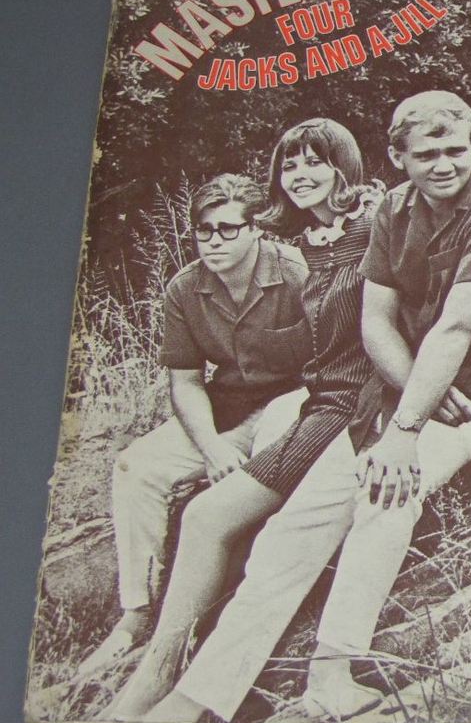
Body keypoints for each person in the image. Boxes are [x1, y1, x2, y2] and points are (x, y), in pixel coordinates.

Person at [135, 91, 471, 723]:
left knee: (385, 495)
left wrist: (404, 432)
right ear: (398, 157)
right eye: (426, 154)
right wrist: (406, 401)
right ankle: (194, 699)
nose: (443, 164)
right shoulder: (395, 210)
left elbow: (458, 326)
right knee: (289, 531)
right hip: (394, 393)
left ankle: (331, 675)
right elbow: (375, 320)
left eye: (456, 149)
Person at [107, 118, 382, 721]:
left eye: (316, 161)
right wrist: (214, 446)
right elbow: (186, 379)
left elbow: (402, 316)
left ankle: (179, 688)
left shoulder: (353, 236)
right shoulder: (300, 247)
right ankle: (150, 650)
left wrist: (419, 394)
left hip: (337, 404)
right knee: (183, 500)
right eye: (290, 165)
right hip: (292, 404)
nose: (301, 175)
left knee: (255, 530)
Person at [74, 174, 308, 681]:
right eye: (204, 230)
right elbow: (185, 381)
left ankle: (230, 613)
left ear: (257, 229)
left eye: (228, 229)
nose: (214, 241)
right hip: (225, 407)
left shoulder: (295, 272)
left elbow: (330, 362)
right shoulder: (185, 288)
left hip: (295, 403)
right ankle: (136, 615)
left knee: (257, 473)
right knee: (136, 466)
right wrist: (211, 448)